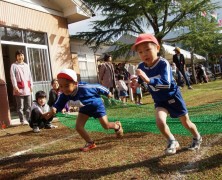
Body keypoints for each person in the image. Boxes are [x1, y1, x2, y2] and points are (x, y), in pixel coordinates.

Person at [132, 33, 202, 155]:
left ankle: (197, 137)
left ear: (157, 48)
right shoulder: (141, 66)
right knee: (160, 121)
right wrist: (136, 84)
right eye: (140, 52)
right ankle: (172, 141)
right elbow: (140, 79)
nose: (144, 54)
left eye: (148, 49)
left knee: (186, 122)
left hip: (173, 96)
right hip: (160, 100)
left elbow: (166, 83)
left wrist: (148, 80)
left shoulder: (163, 63)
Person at [50, 69, 123, 152]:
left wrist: (107, 92)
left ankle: (117, 126)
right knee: (78, 127)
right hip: (84, 108)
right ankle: (90, 142)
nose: (63, 89)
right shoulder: (64, 95)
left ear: (75, 84)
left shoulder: (84, 87)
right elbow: (59, 103)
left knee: (106, 126)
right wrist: (54, 108)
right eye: (61, 86)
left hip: (96, 106)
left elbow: (97, 86)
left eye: (66, 86)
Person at [10, 49, 33, 125]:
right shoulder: (14, 66)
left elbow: (30, 76)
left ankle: (28, 119)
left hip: (27, 88)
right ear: (16, 57)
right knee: (20, 106)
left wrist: (31, 86)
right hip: (19, 89)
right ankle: (22, 120)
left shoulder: (26, 65)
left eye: (22, 55)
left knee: (29, 105)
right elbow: (13, 77)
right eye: (19, 55)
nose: (21, 57)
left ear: (24, 56)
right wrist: (15, 86)